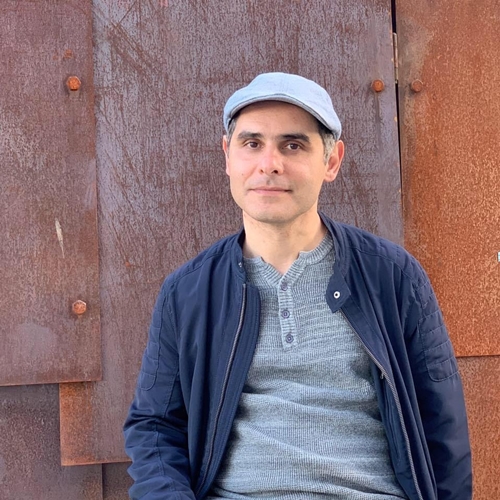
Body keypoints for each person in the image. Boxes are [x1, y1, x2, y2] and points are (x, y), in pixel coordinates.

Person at [123, 72, 472, 500]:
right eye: (252, 143)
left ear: (332, 161)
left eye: (293, 145)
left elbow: (442, 424)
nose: (269, 164)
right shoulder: (189, 292)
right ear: (228, 156)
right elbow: (155, 427)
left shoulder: (393, 276)